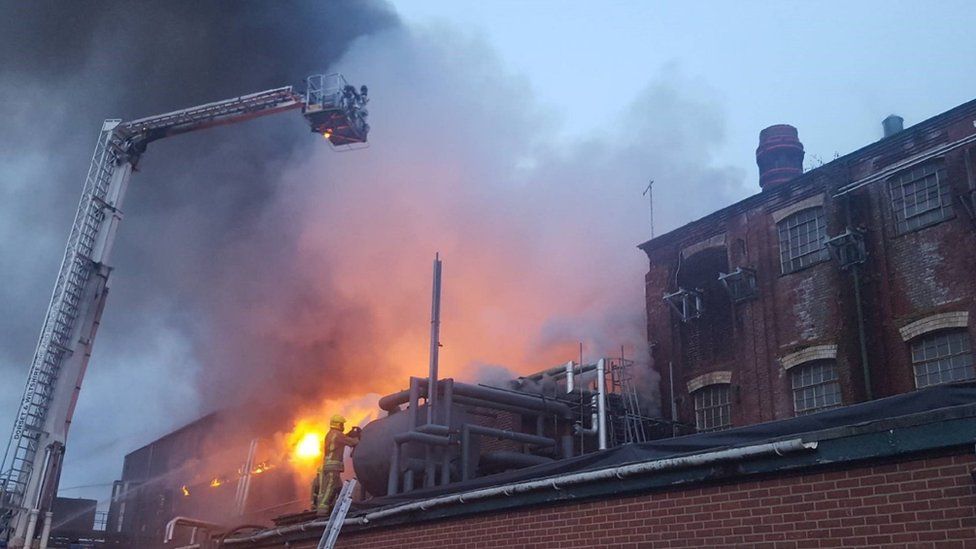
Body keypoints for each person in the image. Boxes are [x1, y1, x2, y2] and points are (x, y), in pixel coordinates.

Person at [311, 415, 361, 514]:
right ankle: (322, 512)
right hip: (333, 467)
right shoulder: (338, 435)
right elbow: (353, 443)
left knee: (339, 488)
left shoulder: (330, 434)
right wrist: (357, 435)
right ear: (338, 424)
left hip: (329, 466)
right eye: (342, 424)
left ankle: (342, 506)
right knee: (330, 489)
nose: (343, 426)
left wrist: (348, 434)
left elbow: (340, 440)